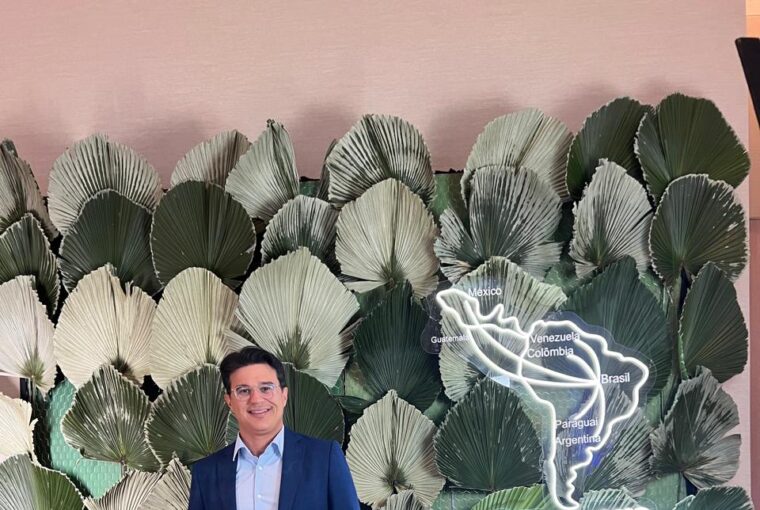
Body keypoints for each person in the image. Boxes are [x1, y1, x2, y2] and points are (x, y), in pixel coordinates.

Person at [188, 346, 360, 510]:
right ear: (229, 402)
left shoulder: (324, 459)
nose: (256, 399)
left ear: (284, 396)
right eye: (243, 391)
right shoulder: (206, 472)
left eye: (266, 388)